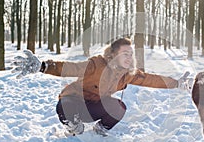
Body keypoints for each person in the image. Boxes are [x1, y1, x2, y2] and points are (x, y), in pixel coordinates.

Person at [12, 38, 192, 136]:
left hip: (96, 107)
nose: (129, 57)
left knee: (119, 107)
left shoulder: (128, 74)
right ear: (113, 54)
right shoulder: (96, 64)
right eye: (124, 53)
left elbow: (151, 80)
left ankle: (100, 130)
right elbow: (70, 68)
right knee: (64, 105)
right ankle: (75, 128)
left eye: (130, 54)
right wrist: (43, 66)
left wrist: (176, 83)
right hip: (75, 103)